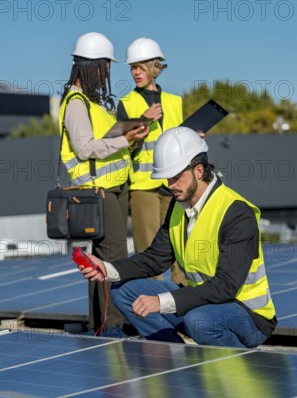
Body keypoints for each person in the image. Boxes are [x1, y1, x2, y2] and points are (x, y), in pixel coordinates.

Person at [78, 127, 277, 347]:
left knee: (199, 322)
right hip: (203, 301)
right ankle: (174, 357)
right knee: (123, 291)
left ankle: (241, 363)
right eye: (167, 178)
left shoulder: (237, 213)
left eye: (176, 177)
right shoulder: (178, 206)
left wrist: (161, 302)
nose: (171, 185)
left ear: (199, 171)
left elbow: (225, 286)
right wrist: (107, 269)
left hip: (246, 315)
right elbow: (155, 259)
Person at [59, 32, 149, 336]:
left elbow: (105, 142)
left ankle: (102, 323)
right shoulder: (75, 103)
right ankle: (112, 326)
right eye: (104, 67)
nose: (107, 73)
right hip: (97, 191)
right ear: (90, 66)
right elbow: (85, 148)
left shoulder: (94, 102)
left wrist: (130, 139)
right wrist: (124, 138)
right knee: (113, 257)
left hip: (113, 187)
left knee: (104, 259)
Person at [116, 38, 195, 284]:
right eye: (132, 68)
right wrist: (143, 120)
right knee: (149, 250)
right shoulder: (126, 104)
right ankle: (151, 309)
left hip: (173, 184)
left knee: (179, 244)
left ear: (154, 67)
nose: (135, 73)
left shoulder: (174, 102)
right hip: (144, 187)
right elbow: (122, 145)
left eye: (139, 67)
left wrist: (193, 136)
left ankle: (184, 300)